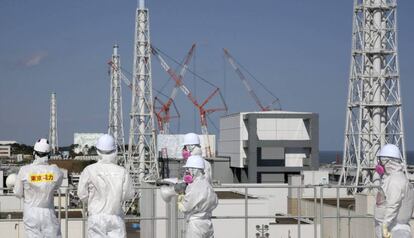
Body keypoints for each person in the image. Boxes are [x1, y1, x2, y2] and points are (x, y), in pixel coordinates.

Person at [77, 134, 134, 238]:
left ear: (98, 151)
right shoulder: (122, 171)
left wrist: (93, 202)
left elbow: (82, 194)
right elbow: (128, 195)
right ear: (114, 150)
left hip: (96, 217)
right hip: (116, 217)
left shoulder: (89, 170)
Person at [13, 138, 64, 238]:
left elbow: (18, 193)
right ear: (49, 154)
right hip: (48, 212)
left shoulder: (24, 170)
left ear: (34, 153)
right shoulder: (55, 170)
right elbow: (57, 185)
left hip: (31, 212)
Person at [374, 144, 414, 238]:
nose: (379, 164)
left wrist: (385, 225)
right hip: (394, 229)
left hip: (393, 230)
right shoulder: (396, 178)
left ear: (387, 161)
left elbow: (393, 205)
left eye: (381, 161)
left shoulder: (394, 181)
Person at [178, 155, 218, 238]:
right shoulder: (208, 185)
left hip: (195, 225)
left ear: (194, 170)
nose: (187, 172)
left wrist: (181, 199)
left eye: (188, 169)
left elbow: (186, 208)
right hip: (208, 224)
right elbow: (215, 202)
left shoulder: (193, 186)